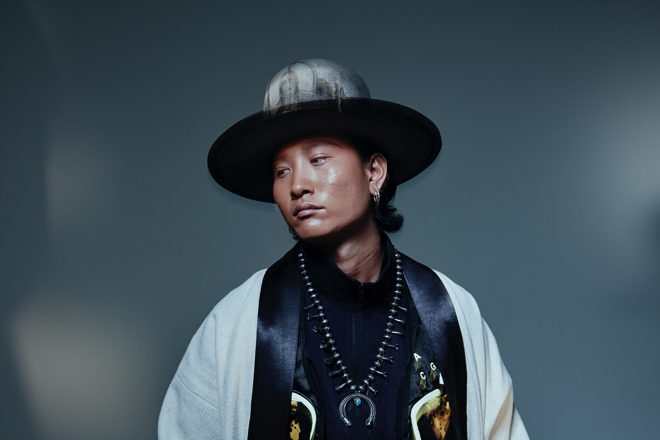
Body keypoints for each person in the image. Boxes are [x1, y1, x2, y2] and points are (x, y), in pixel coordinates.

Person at [158, 59, 529, 440]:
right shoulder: (237, 323)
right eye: (282, 171)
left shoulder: (450, 311)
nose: (297, 185)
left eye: (318, 159)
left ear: (374, 172)